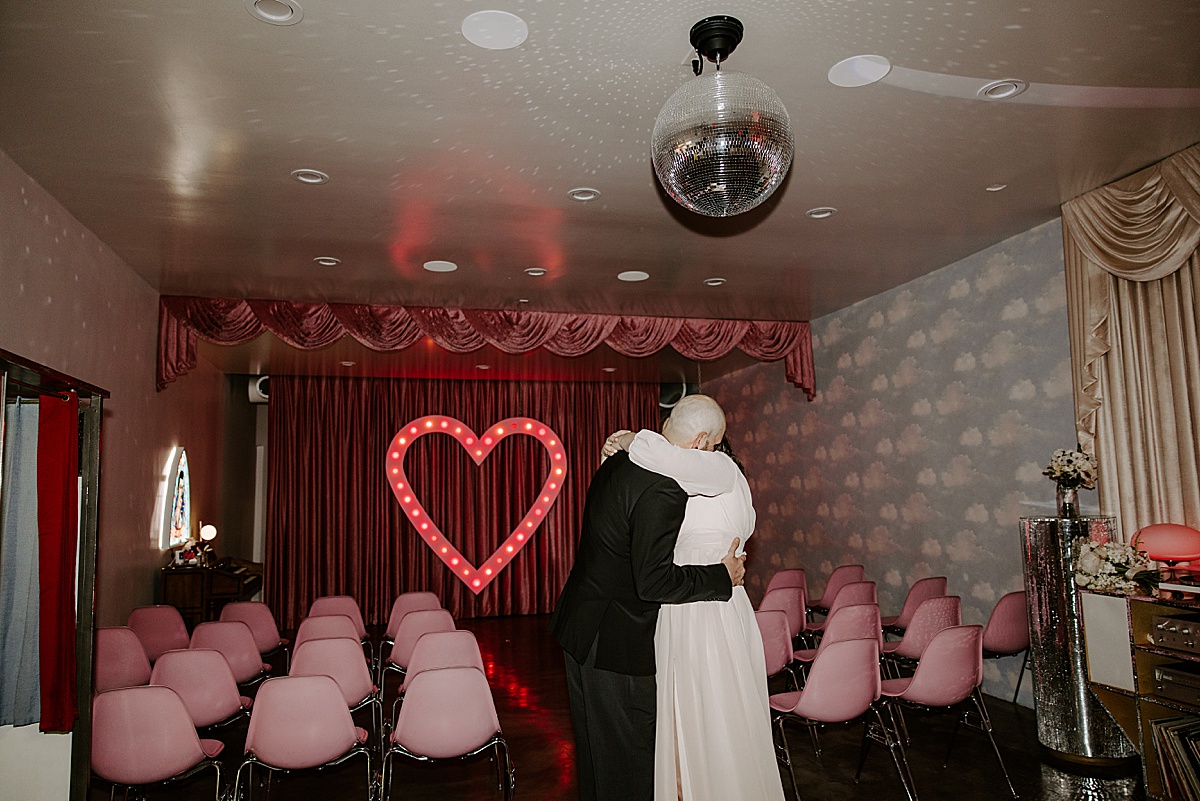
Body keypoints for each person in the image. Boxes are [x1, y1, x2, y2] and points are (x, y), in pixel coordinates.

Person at [550, 396, 746, 801]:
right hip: (615, 643)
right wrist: (720, 576)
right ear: (701, 441)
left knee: (594, 759)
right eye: (711, 449)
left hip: (580, 625)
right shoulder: (665, 488)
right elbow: (653, 583)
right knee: (627, 765)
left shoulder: (617, 464)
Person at [604, 398, 785, 801]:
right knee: (712, 711)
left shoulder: (719, 469)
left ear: (702, 440)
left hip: (700, 610)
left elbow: (658, 455)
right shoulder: (715, 478)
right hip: (712, 604)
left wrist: (630, 438)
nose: (667, 442)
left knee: (714, 714)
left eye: (670, 430)